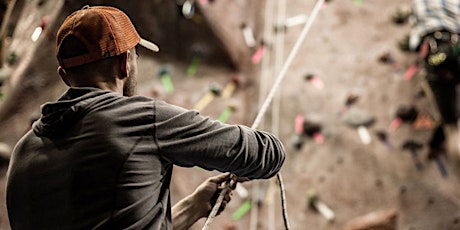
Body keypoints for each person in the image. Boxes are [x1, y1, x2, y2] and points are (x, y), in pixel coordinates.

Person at [5, 5, 285, 230]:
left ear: (64, 76)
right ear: (124, 63)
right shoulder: (141, 119)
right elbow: (264, 154)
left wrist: (192, 208)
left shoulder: (24, 152)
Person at [405, 0, 460, 161]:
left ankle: (442, 141)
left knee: (449, 119)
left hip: (434, 53)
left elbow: (414, 43)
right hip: (456, 45)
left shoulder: (418, 4)